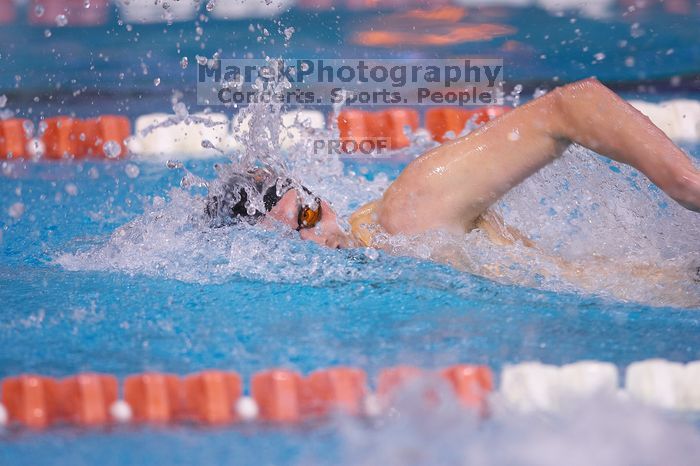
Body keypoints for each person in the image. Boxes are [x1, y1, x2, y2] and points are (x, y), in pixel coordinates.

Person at [206, 78, 700, 254]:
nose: (317, 239)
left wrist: (688, 184)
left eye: (310, 214)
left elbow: (572, 106)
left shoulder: (405, 215)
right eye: (291, 241)